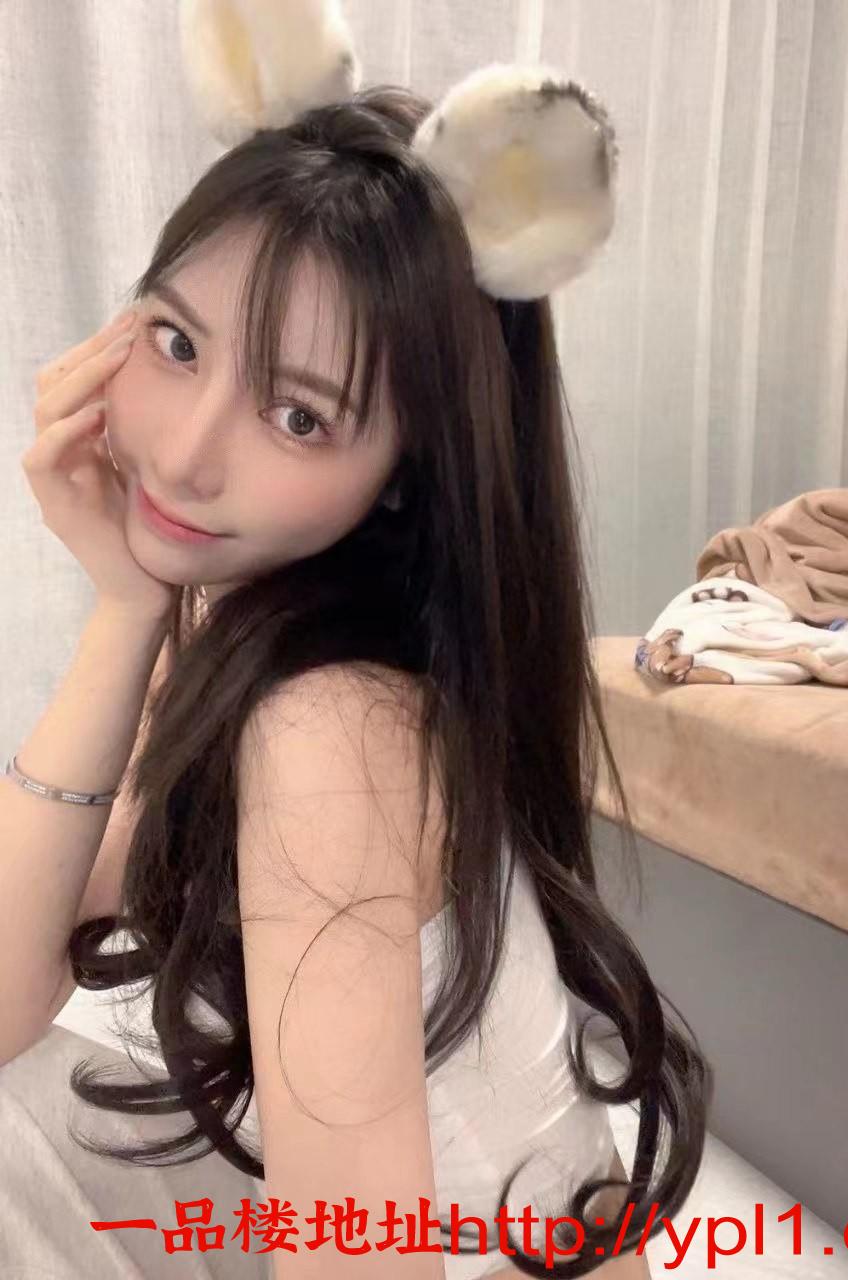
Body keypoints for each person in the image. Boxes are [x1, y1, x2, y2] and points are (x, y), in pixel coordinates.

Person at [1, 16, 711, 1277]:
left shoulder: (329, 724)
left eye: (298, 414)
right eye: (176, 342)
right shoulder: (240, 612)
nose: (185, 454)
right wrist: (124, 605)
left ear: (402, 475)